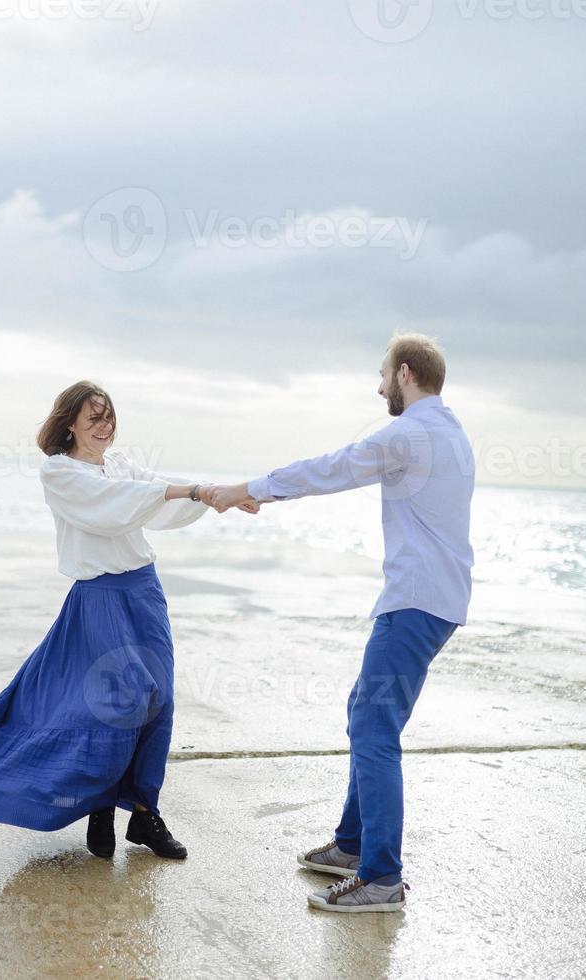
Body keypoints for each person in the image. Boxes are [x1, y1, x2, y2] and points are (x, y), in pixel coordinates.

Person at [207, 333, 474, 913]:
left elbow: (333, 469)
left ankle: (381, 878)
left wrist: (246, 491)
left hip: (415, 601)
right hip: (436, 600)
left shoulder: (411, 433)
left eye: (382, 375)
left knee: (375, 728)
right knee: (365, 713)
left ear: (405, 373)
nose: (378, 387)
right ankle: (352, 846)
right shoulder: (452, 433)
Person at [0, 380, 255, 861]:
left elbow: (153, 496)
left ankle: (144, 815)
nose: (104, 426)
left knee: (158, 701)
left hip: (143, 590)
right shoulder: (59, 473)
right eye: (94, 417)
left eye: (109, 417)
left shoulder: (120, 466)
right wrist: (191, 488)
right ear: (70, 423)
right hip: (99, 596)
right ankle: (101, 805)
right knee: (116, 704)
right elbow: (115, 504)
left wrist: (214, 494)